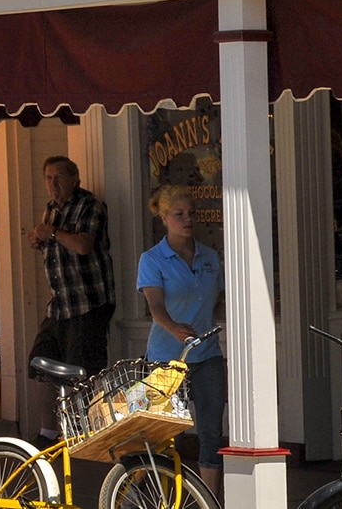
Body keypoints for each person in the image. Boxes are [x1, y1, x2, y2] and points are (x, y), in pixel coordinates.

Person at [138, 185, 224, 499]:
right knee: (161, 431)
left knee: (212, 430)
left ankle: (210, 500)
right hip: (166, 356)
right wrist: (173, 327)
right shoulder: (152, 259)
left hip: (207, 354)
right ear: (163, 217)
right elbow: (155, 306)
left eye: (192, 213)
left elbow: (219, 303)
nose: (187, 219)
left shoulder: (210, 256)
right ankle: (150, 494)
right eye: (179, 214)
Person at [28, 155, 115, 380]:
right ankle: (54, 415)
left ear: (75, 179)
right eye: (48, 178)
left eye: (58, 177)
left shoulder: (90, 204)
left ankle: (84, 415)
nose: (53, 184)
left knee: (83, 371)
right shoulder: (50, 210)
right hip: (59, 306)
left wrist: (54, 233)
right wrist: (39, 241)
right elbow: (59, 251)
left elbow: (83, 245)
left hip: (87, 304)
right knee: (40, 363)